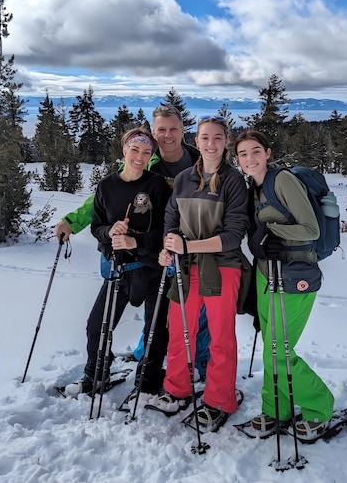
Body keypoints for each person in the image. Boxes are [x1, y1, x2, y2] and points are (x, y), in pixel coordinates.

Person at [55, 106, 210, 381]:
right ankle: (145, 358)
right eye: (161, 129)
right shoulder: (145, 161)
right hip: (154, 253)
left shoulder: (201, 162)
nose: (167, 135)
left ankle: (200, 364)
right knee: (158, 318)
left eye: (173, 128)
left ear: (183, 130)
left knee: (196, 314)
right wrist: (72, 221)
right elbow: (105, 200)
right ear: (153, 133)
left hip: (197, 244)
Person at [234, 129, 334, 440]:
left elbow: (311, 229)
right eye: (242, 154)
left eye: (255, 151)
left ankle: (320, 408)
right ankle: (276, 409)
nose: (249, 159)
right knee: (271, 346)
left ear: (267, 153)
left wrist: (273, 232)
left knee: (280, 350)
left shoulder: (282, 181)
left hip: (295, 276)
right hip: (267, 275)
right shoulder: (255, 187)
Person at [153, 115, 249, 430]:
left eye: (218, 138)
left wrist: (187, 246)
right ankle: (177, 388)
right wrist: (168, 245)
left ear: (226, 142)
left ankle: (220, 398)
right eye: (205, 137)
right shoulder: (183, 179)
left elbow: (234, 235)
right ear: (197, 140)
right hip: (184, 267)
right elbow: (171, 217)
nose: (211, 144)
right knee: (181, 330)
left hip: (222, 268)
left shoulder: (233, 181)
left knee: (220, 337)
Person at [67, 127, 172, 396]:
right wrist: (110, 231)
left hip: (152, 269)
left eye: (146, 152)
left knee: (155, 329)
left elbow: (168, 230)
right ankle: (96, 373)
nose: (140, 156)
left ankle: (148, 380)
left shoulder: (157, 185)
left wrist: (137, 242)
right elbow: (97, 226)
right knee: (97, 325)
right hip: (119, 269)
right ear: (124, 150)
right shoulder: (107, 186)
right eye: (135, 149)